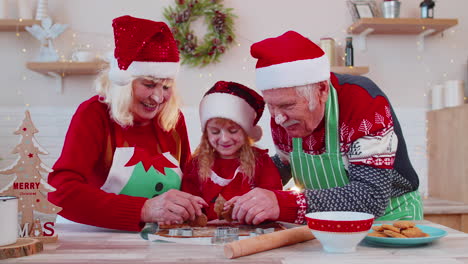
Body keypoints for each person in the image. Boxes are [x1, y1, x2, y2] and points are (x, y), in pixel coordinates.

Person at [225, 31, 423, 225]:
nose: (278, 118)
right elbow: (286, 164)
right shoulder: (282, 115)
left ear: (322, 90)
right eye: (271, 106)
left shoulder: (363, 100)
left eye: (287, 106)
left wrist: (282, 203)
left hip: (389, 221)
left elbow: (371, 196)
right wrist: (237, 188)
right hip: (328, 224)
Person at [47, 15, 207, 232]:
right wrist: (144, 209)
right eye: (149, 85)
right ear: (124, 82)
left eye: (167, 87)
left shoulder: (171, 119)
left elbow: (188, 183)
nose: (158, 98)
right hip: (95, 239)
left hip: (158, 239)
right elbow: (61, 192)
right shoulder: (94, 114)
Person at [182, 81, 283, 221]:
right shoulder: (195, 165)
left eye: (233, 131)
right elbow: (188, 204)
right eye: (215, 132)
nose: (224, 139)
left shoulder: (261, 162)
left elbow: (274, 199)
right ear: (206, 134)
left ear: (246, 131)